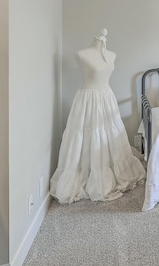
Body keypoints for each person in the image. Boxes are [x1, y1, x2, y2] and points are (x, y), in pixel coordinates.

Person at [50, 28, 145, 203]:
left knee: (108, 136)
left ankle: (112, 174)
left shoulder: (112, 54)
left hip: (107, 97)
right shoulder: (82, 54)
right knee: (86, 136)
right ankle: (88, 176)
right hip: (87, 99)